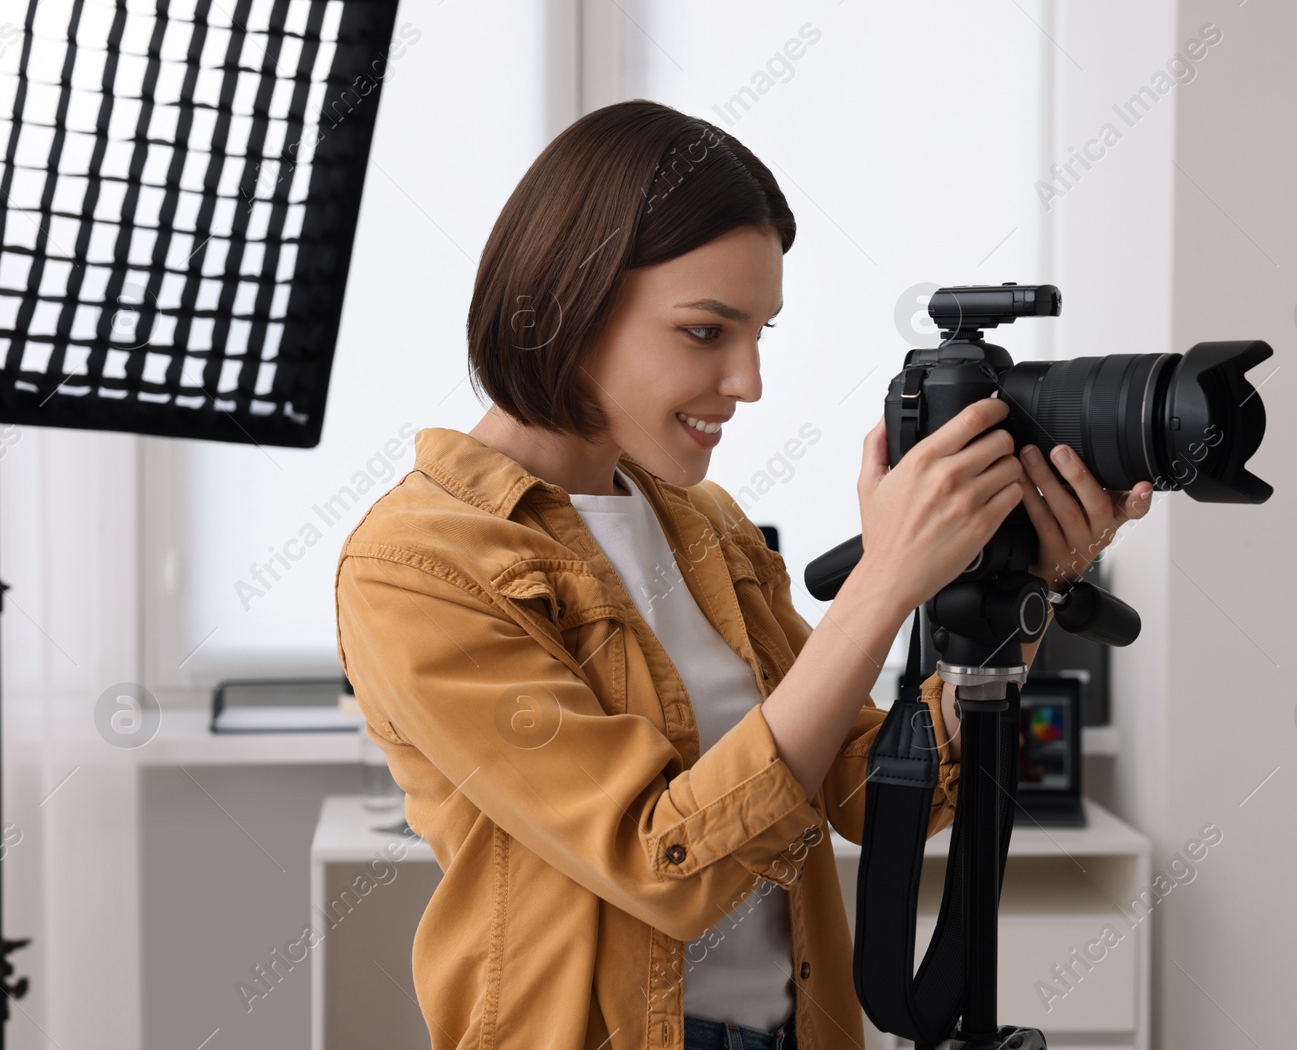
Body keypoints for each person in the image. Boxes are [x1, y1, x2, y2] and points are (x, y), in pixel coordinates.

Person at [334, 99, 1152, 1050]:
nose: (749, 379)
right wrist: (882, 585)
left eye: (759, 330)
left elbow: (862, 785)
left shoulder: (704, 528)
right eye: (705, 331)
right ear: (568, 301)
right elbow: (662, 864)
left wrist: (1024, 595)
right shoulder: (418, 566)